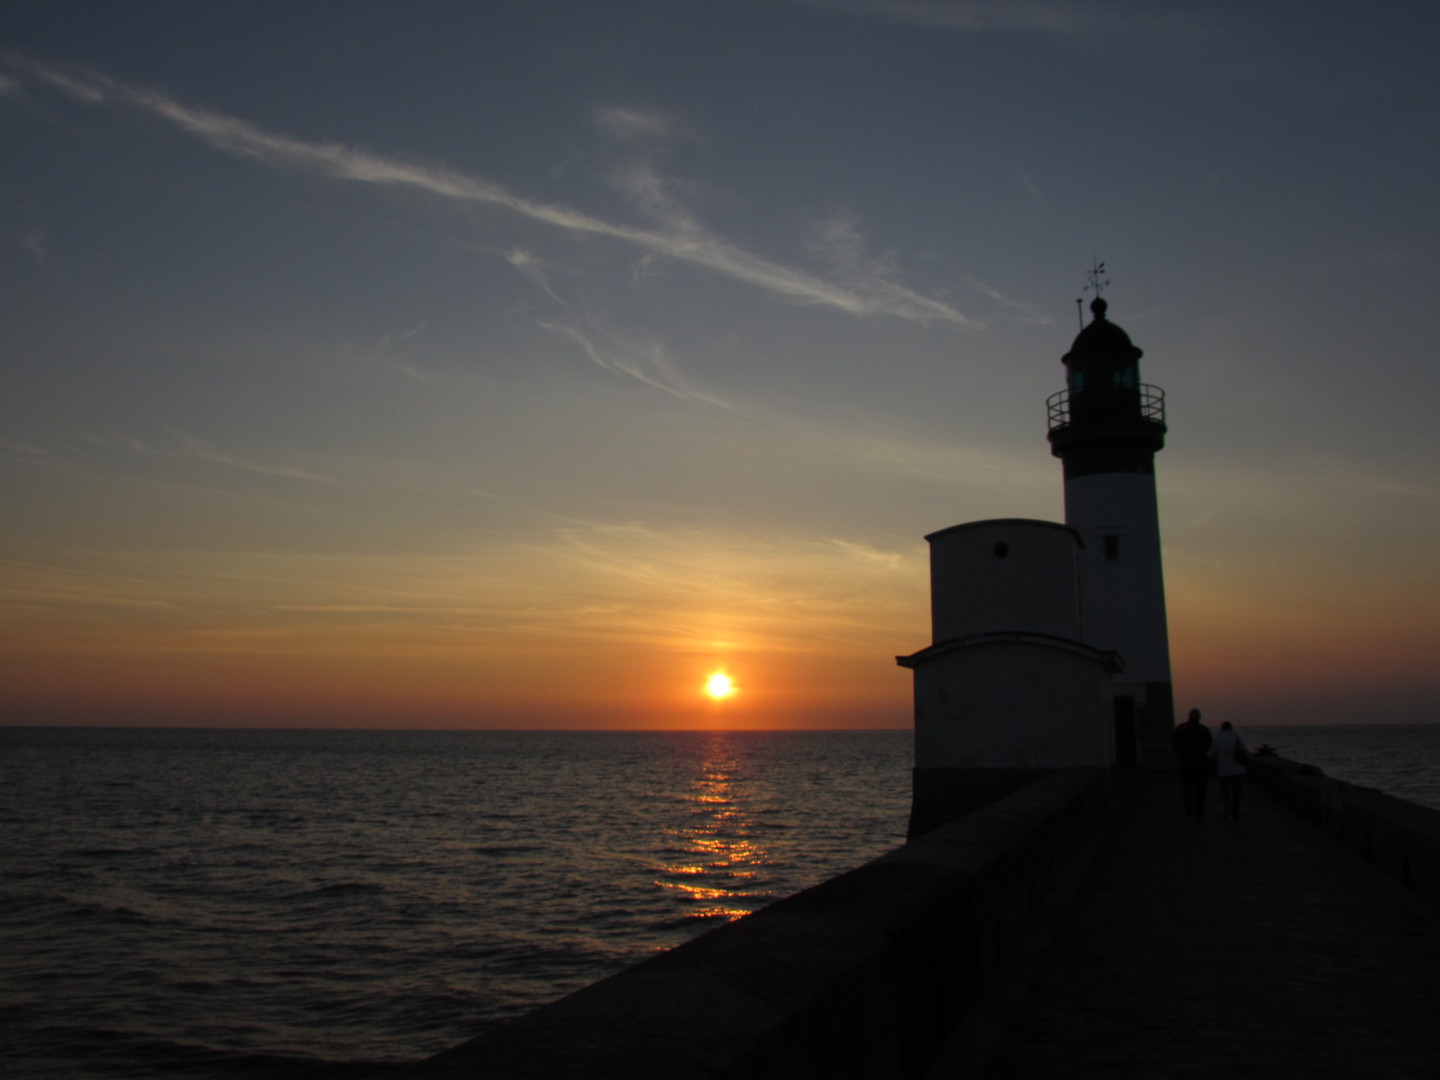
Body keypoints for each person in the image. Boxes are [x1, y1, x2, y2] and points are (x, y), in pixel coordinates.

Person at [1172, 708, 1212, 817]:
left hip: (1186, 763)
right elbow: (1209, 746)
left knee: (1187, 788)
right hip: (1200, 764)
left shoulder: (1181, 729)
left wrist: (1180, 756)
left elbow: (1175, 744)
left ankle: (1188, 808)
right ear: (1199, 717)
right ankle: (1199, 808)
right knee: (1201, 789)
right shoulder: (1204, 730)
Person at [1208, 721, 1250, 819]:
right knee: (1237, 793)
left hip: (1224, 770)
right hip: (1237, 770)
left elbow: (1210, 753)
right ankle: (1236, 812)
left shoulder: (1218, 739)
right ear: (1231, 728)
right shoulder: (1236, 737)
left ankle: (1226, 811)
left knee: (1225, 792)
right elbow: (1245, 751)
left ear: (1221, 728)